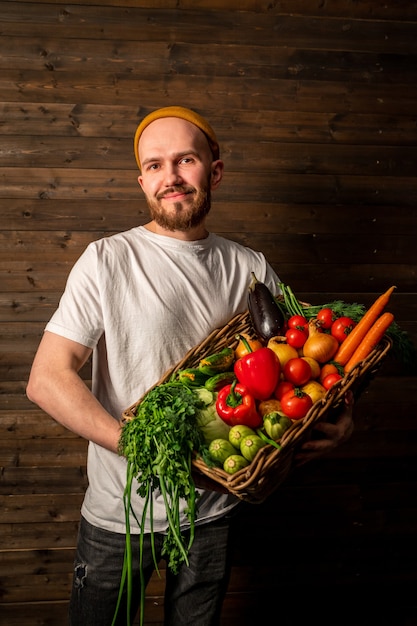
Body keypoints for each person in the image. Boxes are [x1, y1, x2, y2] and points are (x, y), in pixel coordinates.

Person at [26, 105, 354, 626]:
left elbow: (306, 363)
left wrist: (339, 416)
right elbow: (47, 380)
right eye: (154, 165)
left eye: (185, 161)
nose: (171, 177)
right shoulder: (108, 260)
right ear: (141, 180)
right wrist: (143, 448)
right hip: (121, 513)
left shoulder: (249, 266)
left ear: (214, 171)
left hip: (214, 513)